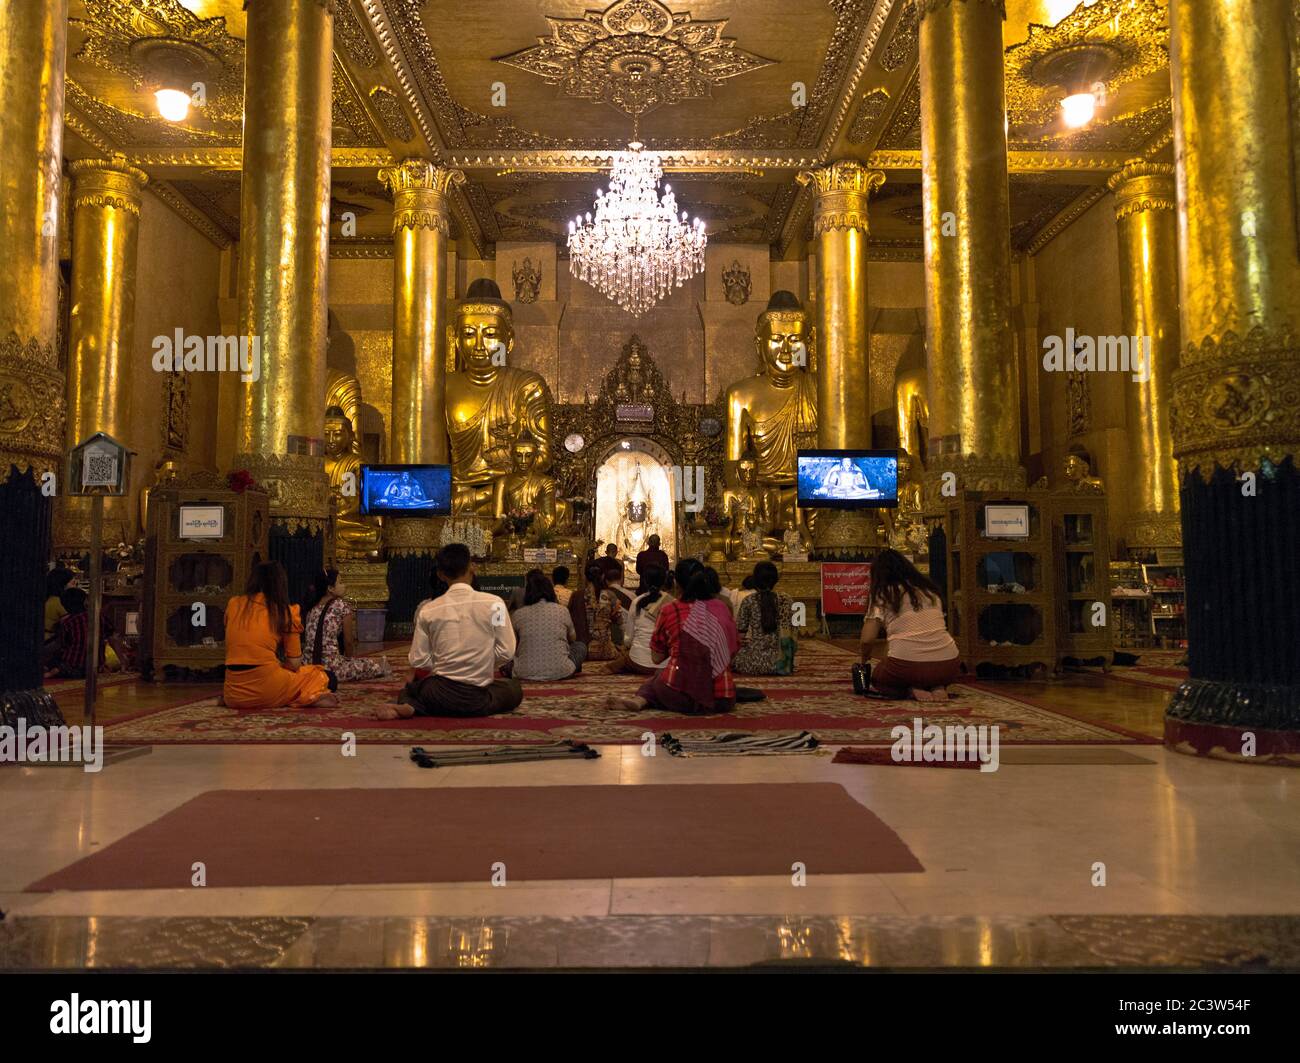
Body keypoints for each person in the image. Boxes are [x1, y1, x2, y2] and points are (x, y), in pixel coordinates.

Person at [378, 543, 522, 719]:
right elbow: (507, 650)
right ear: (471, 567)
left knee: (411, 690)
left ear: (440, 574)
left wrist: (444, 665)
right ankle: (417, 706)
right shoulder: (495, 604)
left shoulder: (428, 610)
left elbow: (419, 660)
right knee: (513, 689)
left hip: (439, 693)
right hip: (477, 697)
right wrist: (481, 664)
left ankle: (411, 706)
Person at [604, 559, 739, 716]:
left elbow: (656, 658)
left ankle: (641, 699)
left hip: (683, 697)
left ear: (676, 582)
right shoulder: (721, 607)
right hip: (724, 697)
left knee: (658, 676)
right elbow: (734, 649)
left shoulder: (671, 609)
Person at [223, 561, 337, 708]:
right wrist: (280, 667)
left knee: (287, 675)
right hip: (268, 689)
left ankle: (298, 695)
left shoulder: (233, 604)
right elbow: (294, 664)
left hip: (233, 693)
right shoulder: (286, 612)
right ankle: (307, 696)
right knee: (325, 677)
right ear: (281, 584)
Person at [858, 548, 961, 700]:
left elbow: (867, 639)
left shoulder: (883, 593)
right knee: (927, 671)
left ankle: (910, 689)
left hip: (907, 667)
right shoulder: (929, 591)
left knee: (879, 678)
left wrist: (864, 660)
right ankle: (937, 686)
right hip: (949, 665)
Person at [301, 568, 391, 682]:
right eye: (340, 582)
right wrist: (350, 661)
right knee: (368, 665)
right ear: (330, 589)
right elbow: (348, 642)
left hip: (307, 666)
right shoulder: (341, 606)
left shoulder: (312, 608)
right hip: (330, 669)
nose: (344, 585)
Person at [510, 570, 586, 680]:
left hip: (524, 672)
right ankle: (569, 666)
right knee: (580, 646)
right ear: (550, 591)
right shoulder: (562, 610)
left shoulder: (518, 614)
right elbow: (573, 638)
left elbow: (513, 645)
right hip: (561, 671)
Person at [44, 586, 130, 679]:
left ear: (64, 605)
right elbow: (113, 638)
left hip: (72, 665)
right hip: (94, 666)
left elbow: (62, 645)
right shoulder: (99, 618)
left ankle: (55, 671)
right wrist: (122, 660)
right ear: (85, 602)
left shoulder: (67, 623)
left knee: (51, 658)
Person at [733, 560, 797, 675]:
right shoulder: (787, 600)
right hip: (782, 663)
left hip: (753, 663)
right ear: (775, 580)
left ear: (756, 580)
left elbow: (740, 635)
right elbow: (794, 632)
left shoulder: (749, 601)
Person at [609, 564, 673, 675]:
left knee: (620, 661)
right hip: (666, 664)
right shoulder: (672, 602)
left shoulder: (637, 601)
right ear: (664, 580)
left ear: (644, 581)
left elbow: (628, 639)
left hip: (638, 661)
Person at [583, 561, 624, 661]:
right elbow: (620, 621)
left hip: (585, 650)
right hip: (607, 649)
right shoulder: (610, 595)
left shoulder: (579, 595)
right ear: (603, 577)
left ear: (585, 577)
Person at [43, 567, 75, 661]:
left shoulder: (49, 599)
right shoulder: (58, 602)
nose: (75, 587)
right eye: (72, 583)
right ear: (63, 585)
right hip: (48, 643)